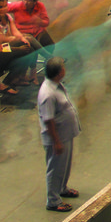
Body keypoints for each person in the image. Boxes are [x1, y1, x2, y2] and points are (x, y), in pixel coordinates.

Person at [37, 57, 81, 212]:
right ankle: (53, 201)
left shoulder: (56, 85)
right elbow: (48, 120)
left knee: (64, 165)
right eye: (63, 67)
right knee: (55, 168)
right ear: (59, 72)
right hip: (57, 137)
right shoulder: (48, 94)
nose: (65, 69)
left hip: (65, 134)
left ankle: (62, 188)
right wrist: (56, 141)